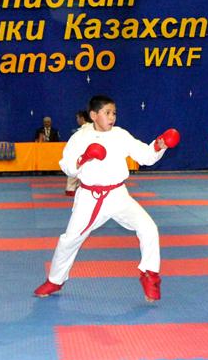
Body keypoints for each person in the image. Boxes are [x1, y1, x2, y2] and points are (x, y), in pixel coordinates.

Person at [34, 95, 180, 302]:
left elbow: (145, 156)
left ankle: (150, 275)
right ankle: (55, 280)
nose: (112, 117)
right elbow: (66, 166)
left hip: (118, 194)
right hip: (89, 197)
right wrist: (84, 158)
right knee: (70, 240)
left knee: (148, 228)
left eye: (114, 113)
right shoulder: (80, 138)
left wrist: (159, 145)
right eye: (107, 113)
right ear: (94, 115)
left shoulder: (120, 135)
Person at [65, 110, 92, 196]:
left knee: (74, 169)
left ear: (82, 118)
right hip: (91, 155)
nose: (77, 120)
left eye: (77, 118)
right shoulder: (93, 127)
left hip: (80, 154)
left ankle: (70, 189)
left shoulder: (81, 131)